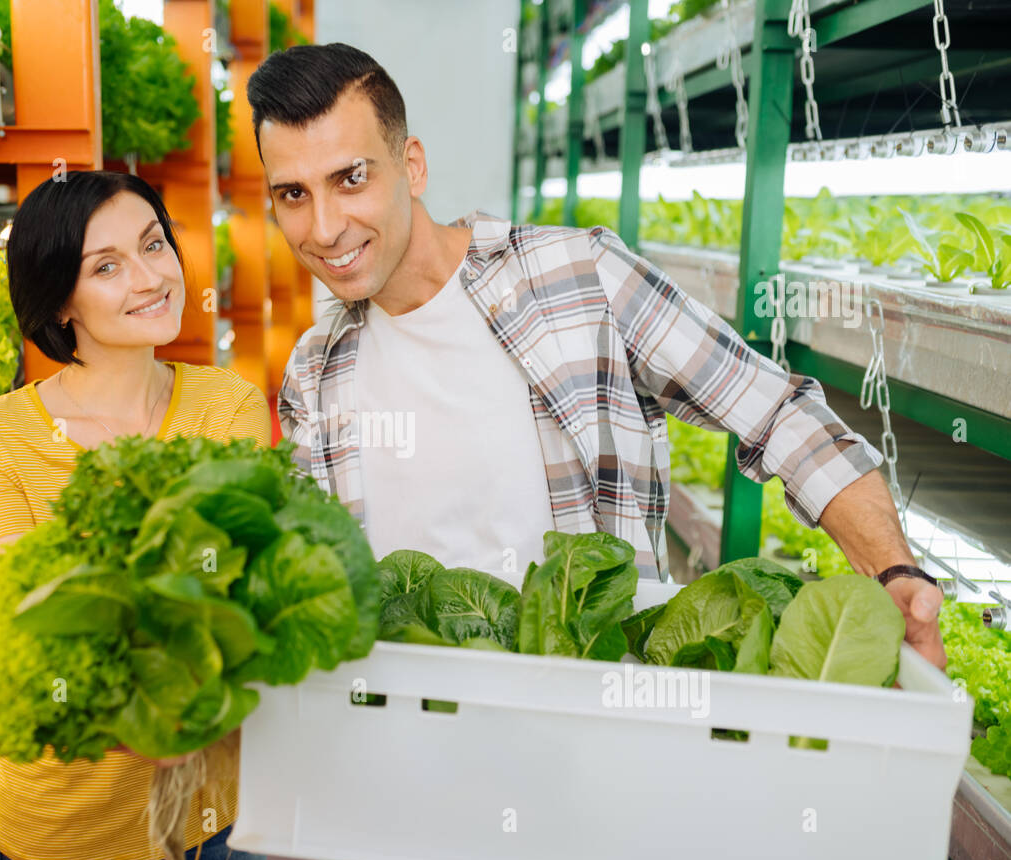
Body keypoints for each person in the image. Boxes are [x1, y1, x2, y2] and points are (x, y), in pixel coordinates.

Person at [246, 43, 947, 669]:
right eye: (293, 195)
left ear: (413, 165)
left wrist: (893, 572)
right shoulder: (316, 376)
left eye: (351, 179)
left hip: (595, 719)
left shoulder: (578, 280)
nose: (326, 227)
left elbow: (777, 413)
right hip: (415, 747)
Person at [0, 170, 271, 860]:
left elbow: (237, 593)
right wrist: (145, 724)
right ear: (61, 300)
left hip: (212, 819)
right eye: (107, 266)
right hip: (59, 833)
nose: (151, 277)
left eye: (155, 245)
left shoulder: (228, 407)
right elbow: (25, 627)